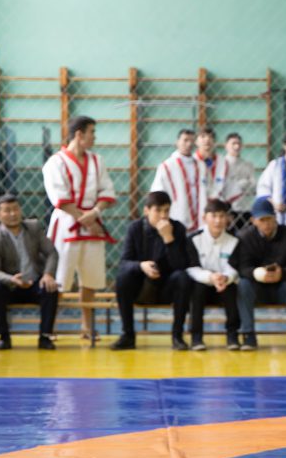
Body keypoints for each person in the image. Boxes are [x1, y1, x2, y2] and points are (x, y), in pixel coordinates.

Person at [41, 115, 116, 340]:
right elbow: (59, 198)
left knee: (90, 279)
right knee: (59, 279)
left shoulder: (97, 161)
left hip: (92, 223)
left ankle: (87, 327)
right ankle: (49, 326)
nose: (94, 137)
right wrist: (87, 219)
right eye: (92, 132)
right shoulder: (55, 162)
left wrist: (94, 214)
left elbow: (107, 192)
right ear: (79, 134)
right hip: (66, 224)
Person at [111, 191, 193, 351]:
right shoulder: (135, 228)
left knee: (182, 277)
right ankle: (128, 335)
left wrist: (168, 238)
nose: (163, 216)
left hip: (166, 287)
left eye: (166, 211)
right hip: (141, 287)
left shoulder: (177, 228)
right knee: (123, 277)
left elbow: (182, 265)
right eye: (158, 210)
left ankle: (177, 336)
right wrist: (141, 266)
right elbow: (124, 263)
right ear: (146, 210)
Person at [0, 194, 59, 350]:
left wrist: (48, 274)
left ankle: (45, 337)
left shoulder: (34, 227)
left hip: (35, 282)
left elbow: (52, 252)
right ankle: (4, 337)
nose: (13, 214)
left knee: (50, 288)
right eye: (7, 210)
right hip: (10, 285)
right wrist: (11, 279)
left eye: (16, 209)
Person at [237, 197, 286, 351]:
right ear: (253, 221)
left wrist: (282, 274)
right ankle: (248, 335)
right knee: (243, 284)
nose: (266, 223)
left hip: (282, 288)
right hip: (257, 289)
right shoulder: (244, 237)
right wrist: (258, 273)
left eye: (269, 218)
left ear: (275, 217)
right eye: (262, 220)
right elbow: (242, 268)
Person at [186, 199, 241, 352]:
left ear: (227, 218)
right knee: (197, 289)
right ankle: (196, 337)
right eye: (214, 216)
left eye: (222, 216)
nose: (218, 221)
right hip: (203, 283)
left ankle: (232, 336)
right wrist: (210, 277)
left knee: (232, 289)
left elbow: (234, 267)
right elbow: (192, 268)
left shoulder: (234, 240)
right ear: (205, 218)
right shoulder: (194, 239)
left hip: (224, 284)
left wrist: (225, 278)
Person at [151, 128, 203, 232]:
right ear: (177, 142)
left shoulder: (201, 165)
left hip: (199, 218)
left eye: (192, 140)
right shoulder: (167, 166)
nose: (189, 144)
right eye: (185, 140)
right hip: (176, 217)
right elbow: (157, 193)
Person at [222, 132, 258, 231]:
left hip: (246, 208)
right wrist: (244, 183)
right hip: (228, 210)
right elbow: (223, 187)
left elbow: (253, 186)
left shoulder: (248, 165)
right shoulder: (221, 164)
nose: (236, 146)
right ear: (226, 146)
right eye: (233, 143)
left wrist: (237, 185)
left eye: (239, 144)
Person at [193, 127, 229, 203]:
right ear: (196, 141)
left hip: (218, 204)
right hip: (196, 203)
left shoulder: (223, 162)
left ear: (215, 141)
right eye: (203, 136)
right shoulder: (192, 161)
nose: (207, 139)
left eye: (211, 137)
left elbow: (228, 185)